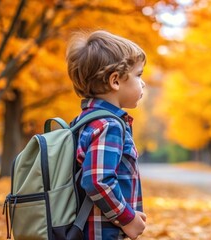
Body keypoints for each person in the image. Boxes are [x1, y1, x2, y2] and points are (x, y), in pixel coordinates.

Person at [66, 30, 147, 240]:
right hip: (101, 233)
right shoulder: (109, 125)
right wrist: (127, 219)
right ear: (115, 81)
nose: (143, 83)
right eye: (138, 75)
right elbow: (97, 180)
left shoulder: (82, 122)